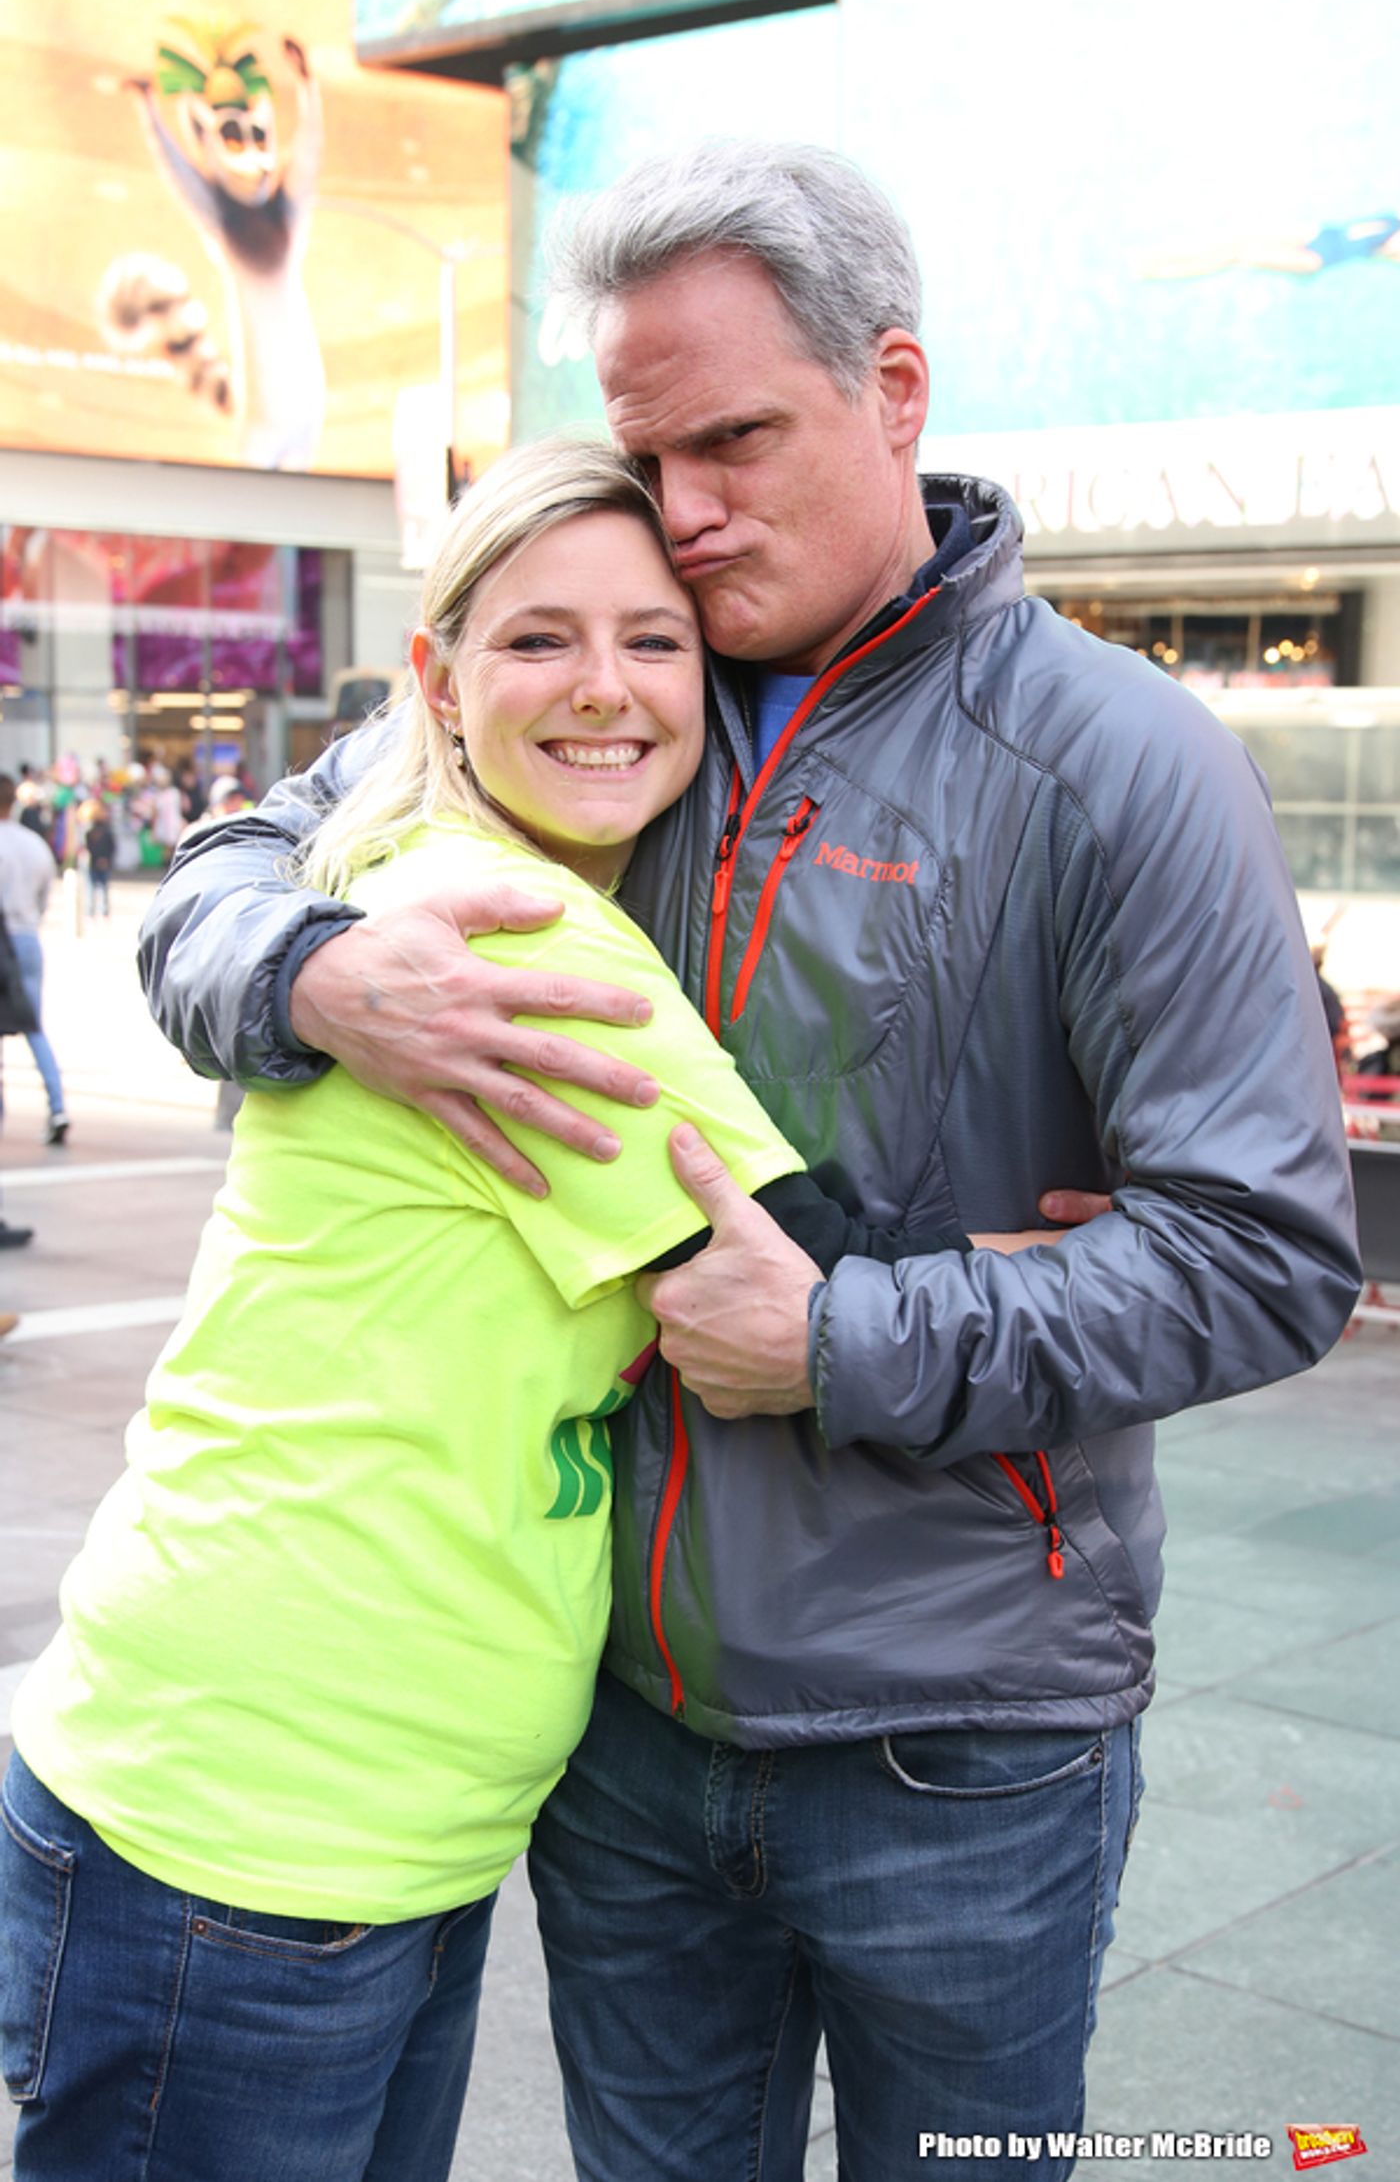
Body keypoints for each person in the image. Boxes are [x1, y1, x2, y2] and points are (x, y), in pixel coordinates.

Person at [137, 144, 1359, 2181]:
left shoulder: (1117, 766)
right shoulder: (607, 681)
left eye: (734, 441)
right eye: (645, 451)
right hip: (615, 1727)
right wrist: (314, 970)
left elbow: (1258, 1254)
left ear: (893, 390)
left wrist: (843, 1333)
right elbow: (229, 872)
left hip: (960, 1738)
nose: (684, 515)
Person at [1, 435, 1026, 2182]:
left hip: (351, 1819)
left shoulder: (441, 875)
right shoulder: (510, 939)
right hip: (257, 1816)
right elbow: (792, 1279)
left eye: (654, 640)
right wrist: (1046, 1256)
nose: (607, 689)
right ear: (440, 676)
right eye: (540, 639)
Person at [0, 773, 68, 1145]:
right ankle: (57, 1105)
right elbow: (45, 893)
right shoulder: (32, 844)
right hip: (27, 938)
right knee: (33, 1026)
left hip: (3, 939)